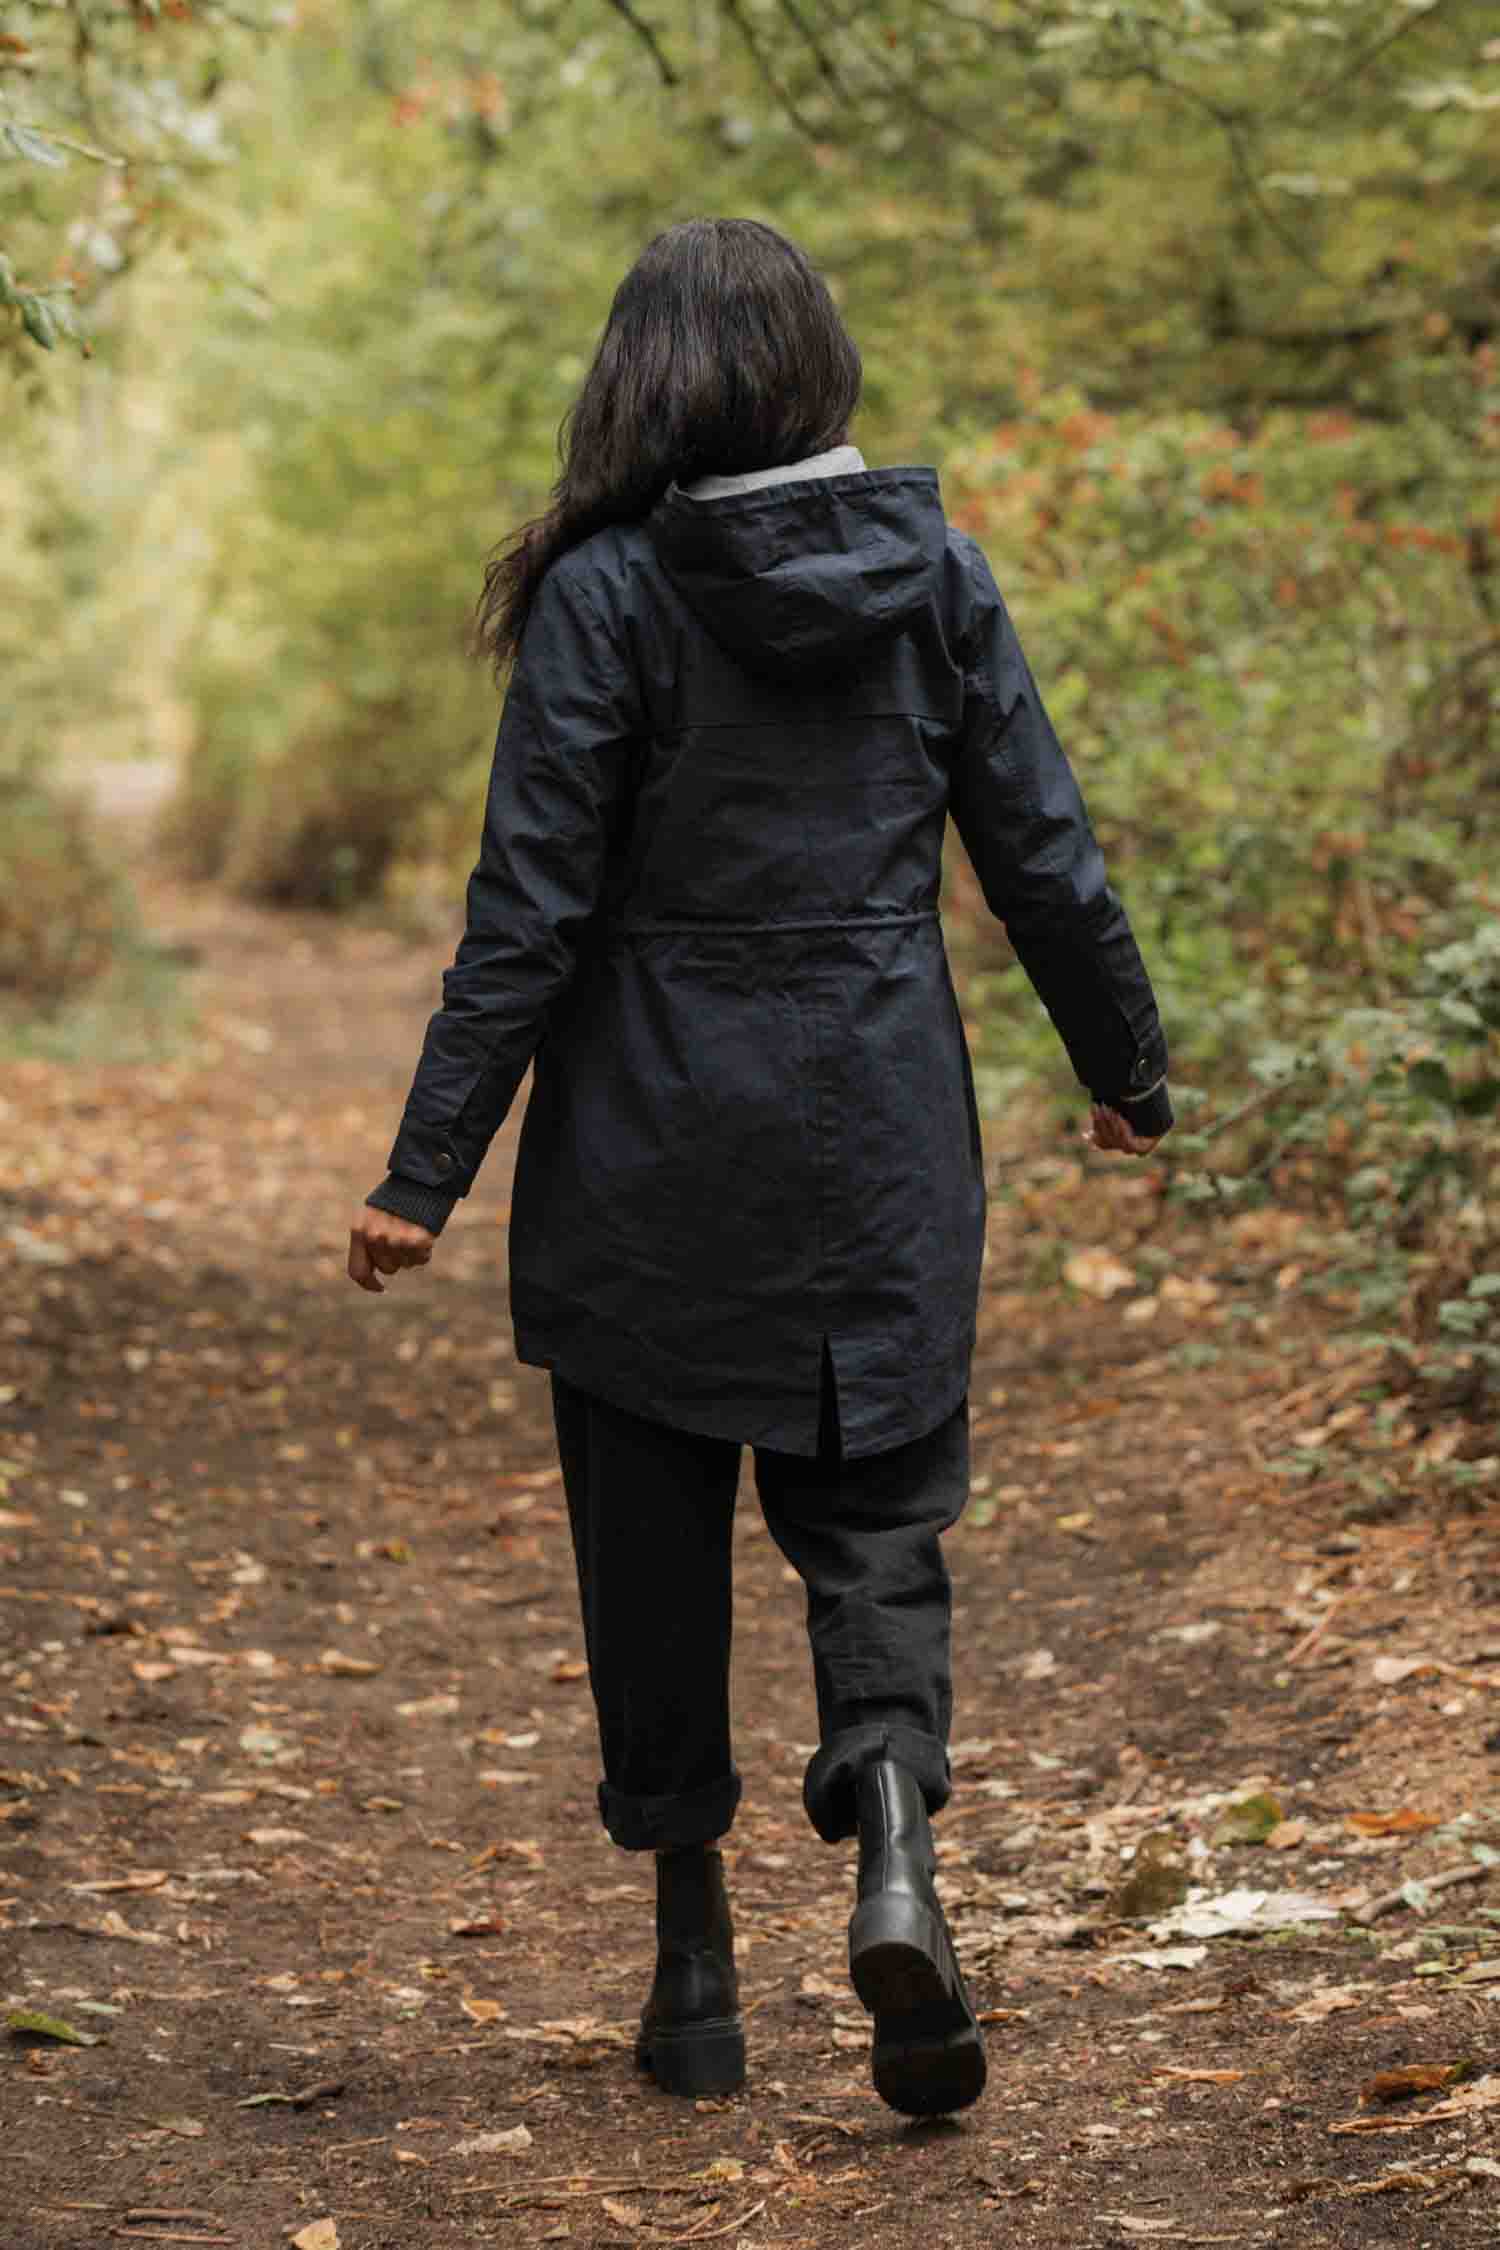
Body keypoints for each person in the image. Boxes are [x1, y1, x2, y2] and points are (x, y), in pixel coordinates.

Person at [347, 217, 1172, 2119]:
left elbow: (529, 908)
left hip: (645, 1142)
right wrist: (1124, 1062)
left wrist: (429, 1166)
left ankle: (697, 1976)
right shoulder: (936, 573)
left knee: (650, 1546)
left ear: (643, 380)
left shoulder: (604, 595)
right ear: (814, 369)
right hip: (878, 1133)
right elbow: (1042, 846)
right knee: (877, 1524)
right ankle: (892, 1838)